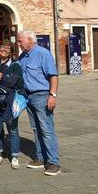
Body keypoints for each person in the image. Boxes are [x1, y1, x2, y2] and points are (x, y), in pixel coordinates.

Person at [17, 30, 61, 176]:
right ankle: (41, 157)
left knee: (46, 129)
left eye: (20, 41)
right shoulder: (23, 57)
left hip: (42, 95)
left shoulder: (43, 53)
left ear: (30, 40)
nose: (18, 43)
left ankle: (53, 162)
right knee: (36, 129)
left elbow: (53, 76)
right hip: (28, 97)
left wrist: (52, 95)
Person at [0, 40, 24, 169]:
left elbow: (19, 84)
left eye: (7, 48)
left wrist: (6, 78)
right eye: (2, 47)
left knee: (12, 129)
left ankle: (14, 156)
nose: (5, 50)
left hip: (9, 101)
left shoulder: (15, 66)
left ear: (11, 51)